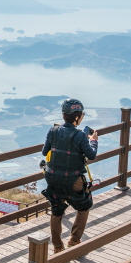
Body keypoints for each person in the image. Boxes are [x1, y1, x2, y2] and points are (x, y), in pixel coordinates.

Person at [40, 98, 98, 253]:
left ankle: (58, 247)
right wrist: (93, 141)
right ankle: (74, 239)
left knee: (56, 210)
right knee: (84, 206)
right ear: (77, 117)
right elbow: (91, 155)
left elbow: (45, 152)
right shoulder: (79, 136)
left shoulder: (53, 131)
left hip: (52, 177)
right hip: (73, 180)